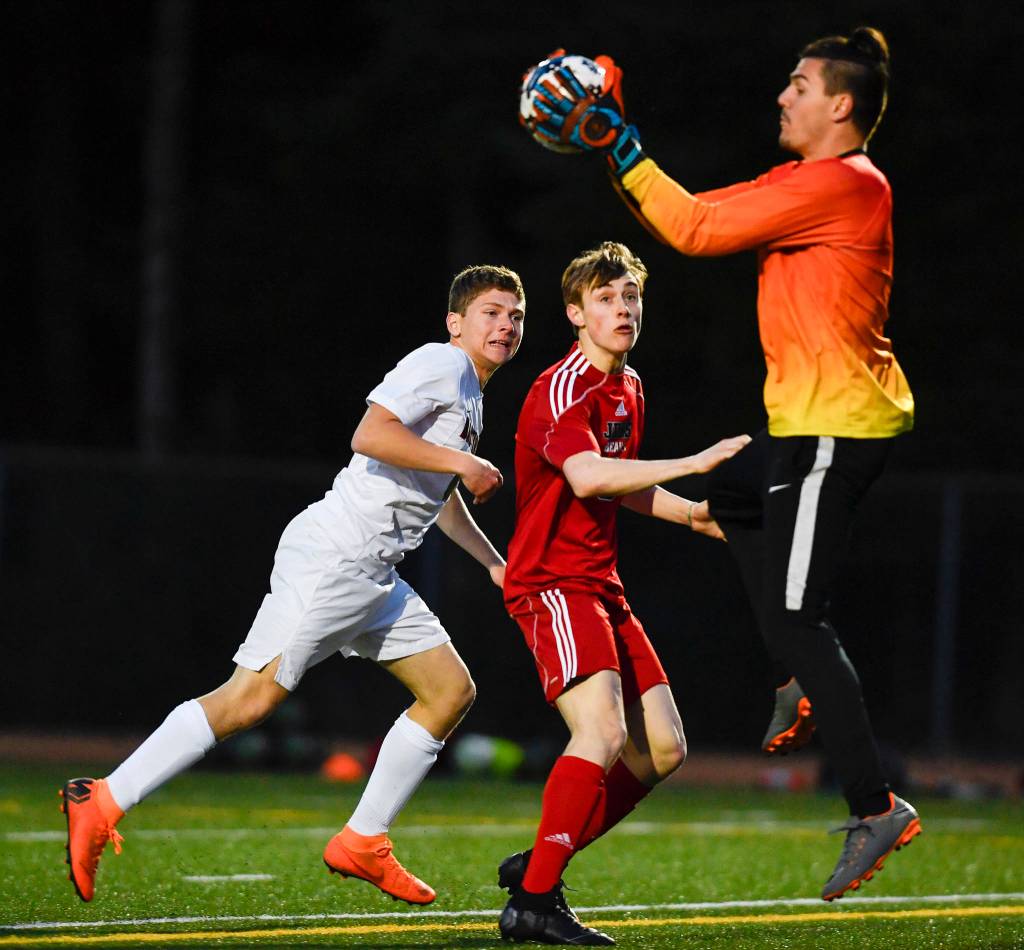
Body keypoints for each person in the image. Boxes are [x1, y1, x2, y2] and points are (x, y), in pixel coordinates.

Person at [520, 28, 921, 901]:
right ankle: (792, 678)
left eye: (800, 84)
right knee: (731, 499)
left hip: (836, 435)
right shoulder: (808, 184)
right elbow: (691, 220)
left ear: (840, 106)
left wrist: (618, 142)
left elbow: (695, 229)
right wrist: (620, 151)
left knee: (798, 618)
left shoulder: (845, 185)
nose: (784, 97)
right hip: (799, 430)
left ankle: (874, 803)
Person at [60, 265, 526, 905]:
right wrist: (462, 460)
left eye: (516, 316)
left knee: (448, 693)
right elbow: (370, 434)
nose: (505, 325)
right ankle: (103, 796)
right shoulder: (440, 364)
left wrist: (492, 561)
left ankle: (363, 841)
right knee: (248, 699)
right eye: (492, 312)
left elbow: (438, 496)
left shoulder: (471, 392)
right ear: (456, 323)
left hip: (375, 574)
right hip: (337, 556)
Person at [496, 242, 749, 945]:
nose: (623, 308)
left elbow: (624, 486)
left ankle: (544, 861)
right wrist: (695, 462)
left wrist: (696, 515)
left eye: (631, 295)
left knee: (664, 749)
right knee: (603, 732)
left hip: (601, 586)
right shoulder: (562, 386)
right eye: (606, 298)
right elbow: (587, 477)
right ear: (576, 314)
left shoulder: (629, 387)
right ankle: (533, 905)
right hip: (552, 582)